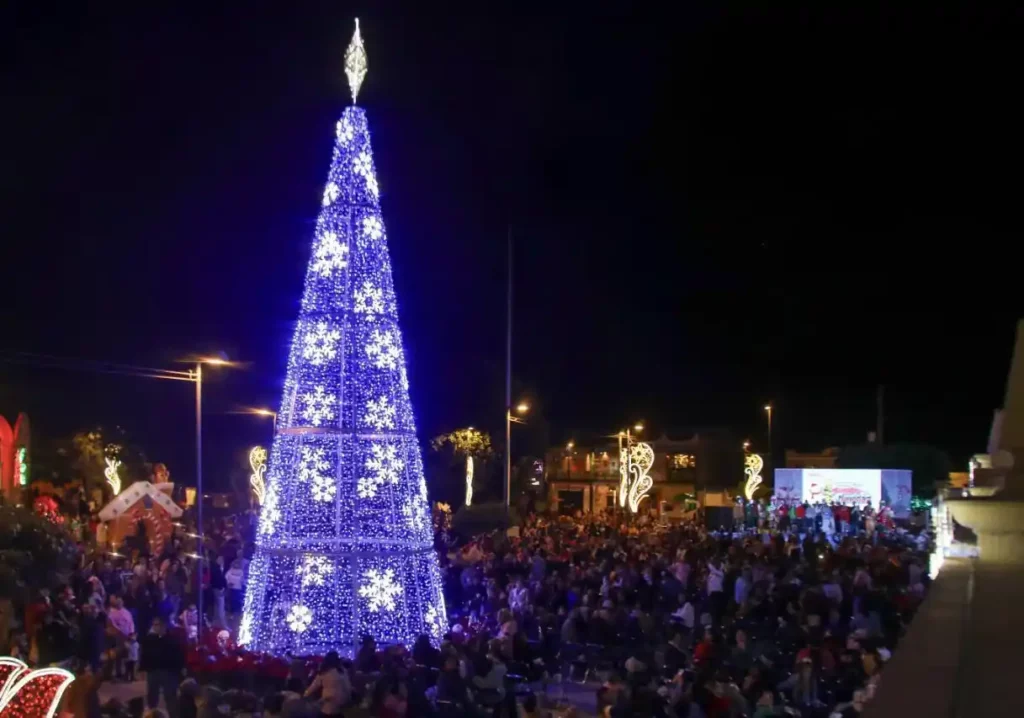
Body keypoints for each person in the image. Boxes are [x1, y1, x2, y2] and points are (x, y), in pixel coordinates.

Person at [141, 616, 184, 716]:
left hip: (168, 672)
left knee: (170, 697)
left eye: (157, 625)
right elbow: (145, 655)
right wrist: (143, 669)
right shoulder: (149, 639)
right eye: (154, 625)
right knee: (152, 696)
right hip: (153, 671)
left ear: (164, 626)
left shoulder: (172, 639)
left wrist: (178, 670)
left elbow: (178, 656)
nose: (155, 627)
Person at [304, 650, 352, 717]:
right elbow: (347, 686)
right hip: (339, 700)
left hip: (327, 699)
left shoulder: (324, 671)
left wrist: (305, 695)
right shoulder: (341, 671)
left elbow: (314, 685)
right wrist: (348, 697)